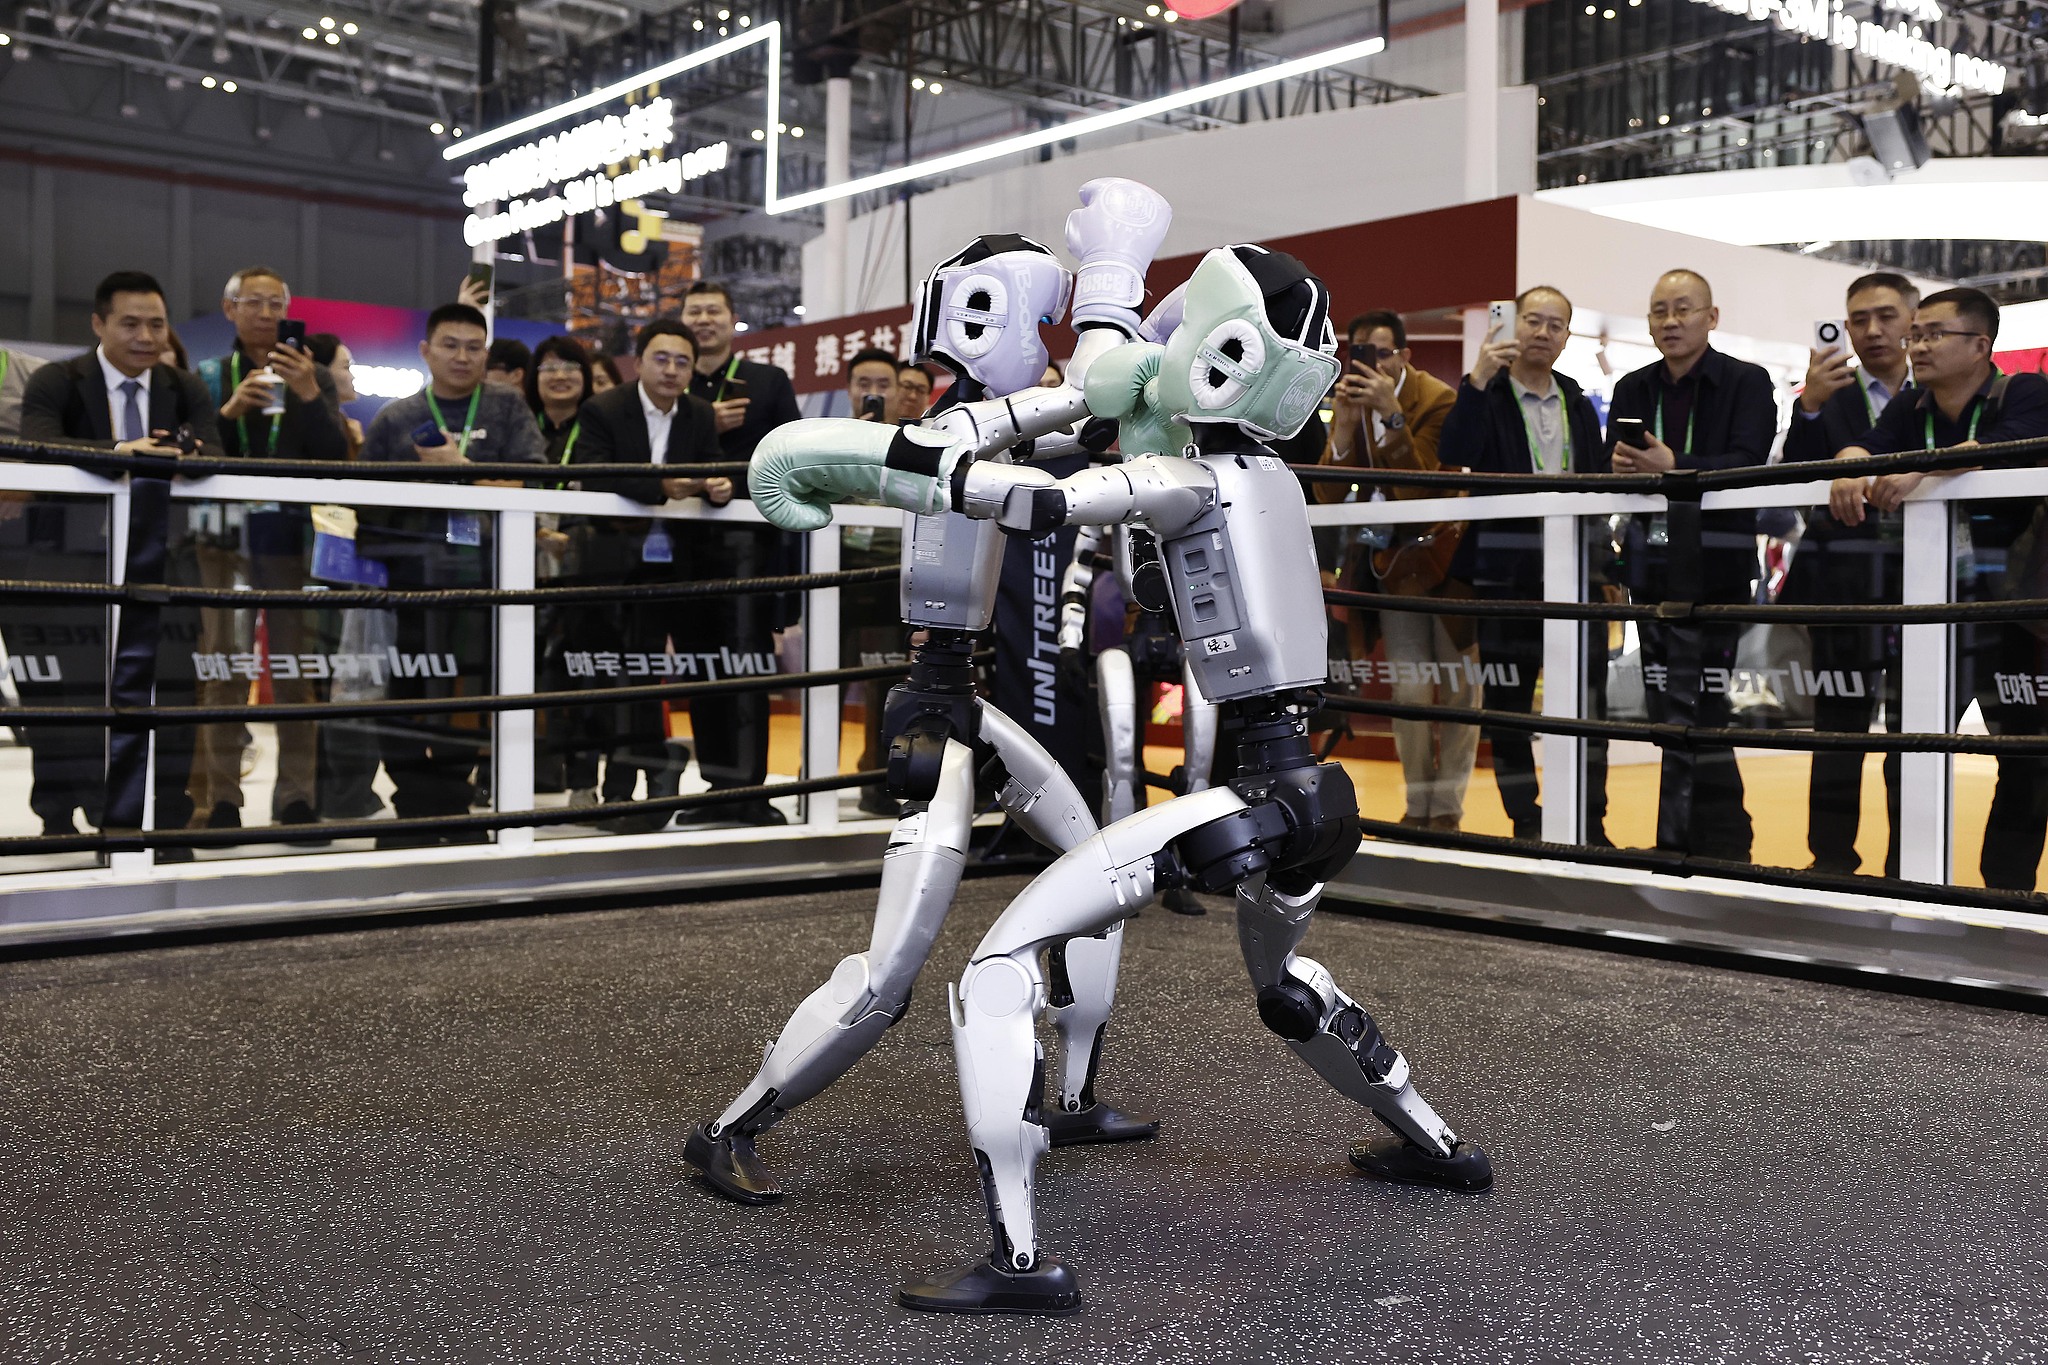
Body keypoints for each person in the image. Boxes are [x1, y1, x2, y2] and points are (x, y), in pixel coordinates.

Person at [1828, 287, 2048, 890]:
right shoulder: (1910, 406)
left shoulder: (2025, 392)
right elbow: (1869, 448)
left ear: (1981, 346)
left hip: (2017, 615)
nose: (1917, 345)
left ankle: (2007, 893)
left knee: (2027, 763)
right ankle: (1911, 883)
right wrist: (1852, 457)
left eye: (1933, 334)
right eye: (1915, 334)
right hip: (1931, 613)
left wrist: (1921, 468)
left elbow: (2011, 448)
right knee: (1909, 754)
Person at [18, 271, 223, 848]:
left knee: (173, 690)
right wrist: (118, 454)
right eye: (130, 323)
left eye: (156, 323)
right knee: (66, 697)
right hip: (68, 562)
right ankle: (61, 813)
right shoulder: (58, 379)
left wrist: (188, 456)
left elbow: (218, 453)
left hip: (162, 562)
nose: (145, 335)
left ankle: (168, 819)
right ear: (99, 324)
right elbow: (40, 445)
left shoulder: (184, 386)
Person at [1605, 269, 1778, 863]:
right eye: (1659, 311)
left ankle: (1713, 841)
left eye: (1683, 309)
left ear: (1712, 316)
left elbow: (1748, 462)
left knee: (1705, 711)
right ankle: (1699, 841)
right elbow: (1619, 473)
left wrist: (1674, 464)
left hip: (1720, 570)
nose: (1670, 321)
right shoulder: (1632, 388)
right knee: (1666, 713)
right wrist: (1629, 471)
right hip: (1650, 568)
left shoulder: (1747, 382)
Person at [357, 302, 545, 847]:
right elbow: (365, 501)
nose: (462, 357)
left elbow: (530, 486)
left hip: (488, 577)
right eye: (450, 345)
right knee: (407, 691)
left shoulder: (508, 407)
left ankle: (450, 800)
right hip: (411, 580)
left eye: (473, 347)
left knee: (475, 690)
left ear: (486, 353)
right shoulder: (396, 417)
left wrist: (459, 473)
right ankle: (417, 804)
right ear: (425, 351)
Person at [1438, 285, 1612, 842]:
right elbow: (1454, 453)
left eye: (1554, 324)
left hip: (1575, 573)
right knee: (1509, 708)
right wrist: (1477, 380)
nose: (1542, 332)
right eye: (1532, 320)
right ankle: (1527, 819)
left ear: (1566, 337)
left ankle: (1589, 819)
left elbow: (1600, 487)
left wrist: (1606, 568)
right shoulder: (1486, 394)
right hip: (1504, 574)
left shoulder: (1579, 401)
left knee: (1588, 707)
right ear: (1513, 325)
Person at [187, 266, 349, 837]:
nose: (266, 314)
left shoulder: (312, 377)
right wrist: (229, 411)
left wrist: (307, 393)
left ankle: (297, 798)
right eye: (253, 303)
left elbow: (335, 459)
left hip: (290, 541)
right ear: (229, 309)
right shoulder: (206, 376)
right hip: (222, 540)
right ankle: (219, 801)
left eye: (275, 304)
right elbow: (192, 456)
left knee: (295, 672)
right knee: (223, 668)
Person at [1314, 309, 1476, 831]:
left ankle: (1447, 809)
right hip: (1393, 565)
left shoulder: (1439, 399)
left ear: (1405, 356)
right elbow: (1328, 492)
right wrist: (1341, 428)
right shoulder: (1353, 402)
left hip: (1447, 561)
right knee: (1409, 687)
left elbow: (1417, 489)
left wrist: (1390, 416)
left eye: (1381, 353)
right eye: (1361, 354)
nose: (1371, 364)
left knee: (1458, 686)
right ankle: (1419, 805)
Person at [1779, 272, 1917, 876]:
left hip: (1926, 583)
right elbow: (1792, 481)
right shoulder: (1825, 394)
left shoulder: (1936, 391)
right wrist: (1808, 405)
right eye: (1858, 319)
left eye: (1886, 316)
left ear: (1914, 320)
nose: (1872, 330)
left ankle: (1909, 864)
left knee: (1915, 737)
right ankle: (1831, 860)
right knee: (1837, 731)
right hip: (1840, 583)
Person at [568, 318, 729, 831]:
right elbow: (596, 474)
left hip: (683, 566)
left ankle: (666, 774)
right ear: (637, 363)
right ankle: (618, 794)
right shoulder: (603, 408)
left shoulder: (700, 414)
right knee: (623, 677)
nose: (673, 370)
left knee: (687, 675)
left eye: (683, 361)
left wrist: (717, 486)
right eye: (661, 359)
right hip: (616, 564)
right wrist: (666, 487)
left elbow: (711, 469)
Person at [681, 280, 802, 825]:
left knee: (746, 663)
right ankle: (715, 785)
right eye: (693, 311)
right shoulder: (672, 382)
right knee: (699, 666)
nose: (703, 320)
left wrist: (745, 487)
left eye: (713, 311)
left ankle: (751, 790)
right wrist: (704, 419)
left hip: (749, 544)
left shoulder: (766, 380)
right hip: (684, 547)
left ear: (732, 321)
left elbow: (790, 454)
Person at [839, 347, 908, 818]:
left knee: (886, 683)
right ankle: (814, 782)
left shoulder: (914, 442)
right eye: (864, 383)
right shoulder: (827, 438)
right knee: (827, 680)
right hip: (840, 573)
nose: (874, 393)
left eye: (884, 385)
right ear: (849, 389)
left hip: (892, 577)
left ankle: (877, 779)